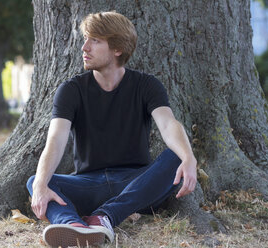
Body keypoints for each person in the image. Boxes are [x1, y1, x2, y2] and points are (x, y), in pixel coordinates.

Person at [26, 11, 197, 247]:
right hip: (88, 185)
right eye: (85, 39)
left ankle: (104, 218)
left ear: (117, 49)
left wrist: (188, 158)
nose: (84, 47)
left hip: (136, 185)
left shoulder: (146, 85)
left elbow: (168, 123)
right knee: (37, 180)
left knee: (175, 159)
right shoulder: (71, 90)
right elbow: (55, 139)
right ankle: (72, 226)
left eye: (95, 40)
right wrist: (40, 185)